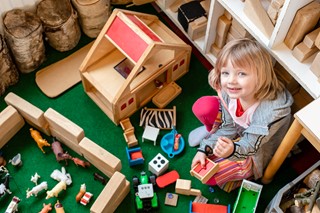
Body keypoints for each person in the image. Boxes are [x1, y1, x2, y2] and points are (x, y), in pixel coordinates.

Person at [189, 38, 293, 192]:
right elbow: (229, 126)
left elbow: (251, 145)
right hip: (239, 131)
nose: (231, 81)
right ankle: (210, 130)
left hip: (255, 149)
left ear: (260, 77)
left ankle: (241, 166)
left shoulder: (271, 112)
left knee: (210, 176)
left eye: (241, 74)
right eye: (225, 72)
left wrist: (231, 150)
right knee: (203, 107)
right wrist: (204, 148)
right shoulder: (230, 91)